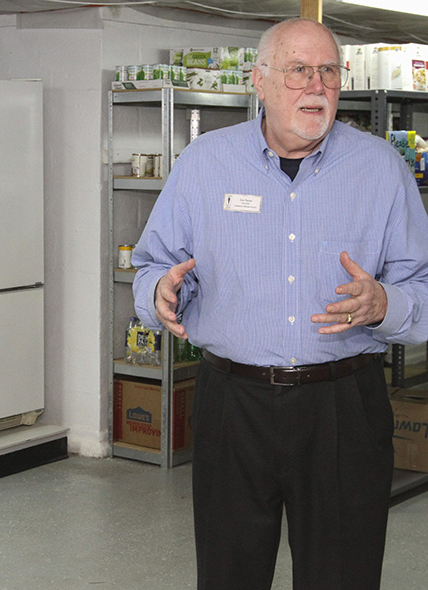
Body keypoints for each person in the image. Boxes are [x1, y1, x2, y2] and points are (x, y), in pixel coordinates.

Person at [132, 18, 428, 590]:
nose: (316, 86)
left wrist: (383, 301)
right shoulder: (204, 163)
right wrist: (160, 292)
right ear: (259, 82)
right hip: (231, 406)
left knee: (343, 574)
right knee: (229, 572)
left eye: (328, 72)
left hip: (344, 406)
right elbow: (154, 265)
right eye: (298, 71)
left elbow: (422, 285)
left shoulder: (381, 169)